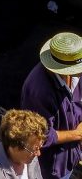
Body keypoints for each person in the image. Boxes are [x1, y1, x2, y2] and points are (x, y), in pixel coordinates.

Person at [21, 32, 82, 179]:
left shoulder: (76, 75)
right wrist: (77, 134)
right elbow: (39, 136)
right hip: (54, 165)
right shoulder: (38, 91)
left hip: (73, 151)